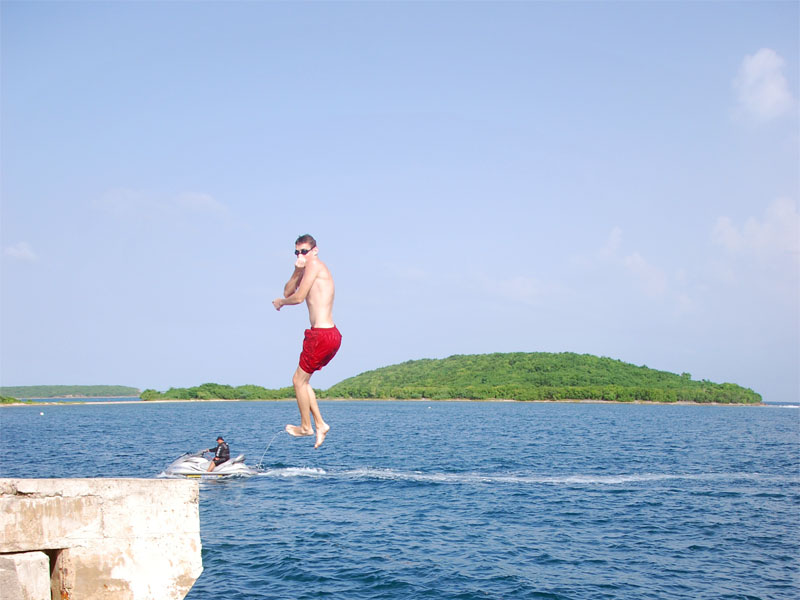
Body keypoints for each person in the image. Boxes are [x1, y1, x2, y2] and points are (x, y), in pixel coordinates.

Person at [273, 234, 342, 449]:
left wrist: (282, 303)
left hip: (321, 335)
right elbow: (288, 289)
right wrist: (297, 269)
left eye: (304, 251)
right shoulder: (307, 268)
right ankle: (320, 424)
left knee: (297, 381)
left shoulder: (315, 265)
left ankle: (306, 427)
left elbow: (297, 296)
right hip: (328, 335)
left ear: (315, 250)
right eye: (297, 252)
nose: (301, 255)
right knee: (303, 382)